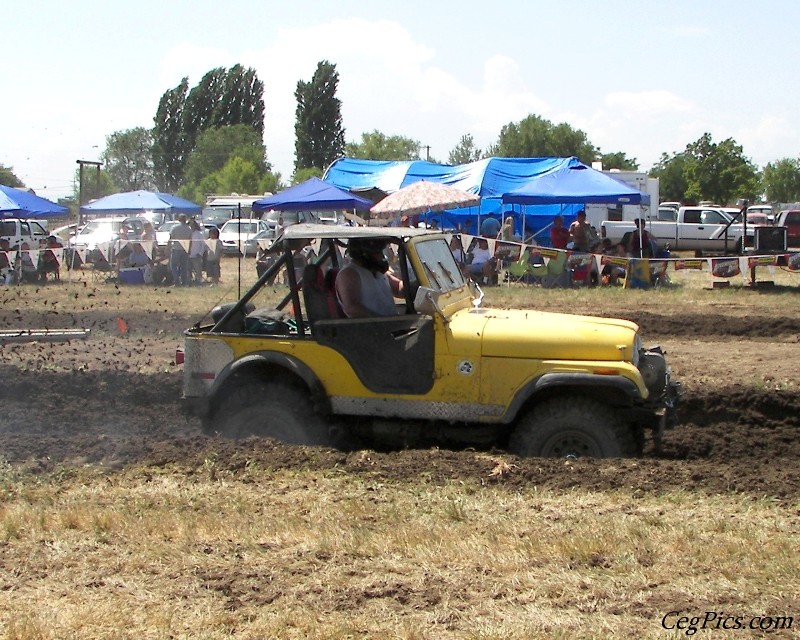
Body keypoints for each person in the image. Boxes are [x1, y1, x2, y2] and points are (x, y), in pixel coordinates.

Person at [335, 237, 404, 318]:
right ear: (363, 254)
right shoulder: (349, 274)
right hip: (370, 328)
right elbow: (351, 308)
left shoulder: (376, 270)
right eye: (377, 252)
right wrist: (381, 321)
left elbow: (399, 289)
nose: (382, 256)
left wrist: (417, 285)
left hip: (391, 324)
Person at [169, 214, 192, 286]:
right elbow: (190, 240)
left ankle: (177, 282)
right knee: (184, 267)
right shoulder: (189, 229)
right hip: (185, 249)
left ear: (179, 219)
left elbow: (171, 238)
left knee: (173, 266)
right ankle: (184, 282)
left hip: (176, 248)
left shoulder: (175, 228)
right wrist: (189, 249)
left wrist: (167, 247)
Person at [188, 220, 207, 285]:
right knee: (188, 269)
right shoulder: (188, 233)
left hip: (196, 255)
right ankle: (189, 281)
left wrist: (200, 253)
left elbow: (203, 245)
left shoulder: (199, 234)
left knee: (198, 270)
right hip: (188, 255)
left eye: (192, 225)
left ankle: (198, 281)